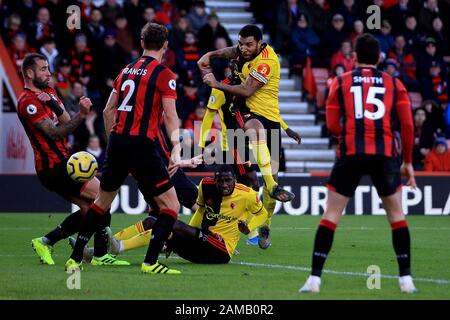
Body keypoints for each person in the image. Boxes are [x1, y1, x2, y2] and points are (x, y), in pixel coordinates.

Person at [299, 34, 418, 294]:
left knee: (331, 215)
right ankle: (406, 280)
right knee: (396, 216)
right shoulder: (394, 83)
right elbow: (408, 125)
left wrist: (345, 135)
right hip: (384, 154)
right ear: (379, 58)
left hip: (351, 152)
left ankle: (314, 280)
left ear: (354, 56)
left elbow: (331, 124)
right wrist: (407, 162)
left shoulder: (340, 82)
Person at [65, 23, 182, 275]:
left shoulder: (126, 70)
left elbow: (108, 110)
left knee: (102, 202)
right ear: (165, 45)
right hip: (142, 145)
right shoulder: (164, 75)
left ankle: (75, 258)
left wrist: (113, 142)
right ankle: (150, 263)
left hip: (118, 142)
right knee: (171, 206)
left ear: (141, 43)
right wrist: (177, 148)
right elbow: (170, 116)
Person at [17, 53, 122, 266]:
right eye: (44, 69)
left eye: (48, 68)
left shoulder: (49, 92)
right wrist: (82, 115)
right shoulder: (27, 102)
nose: (49, 72)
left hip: (62, 162)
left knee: (87, 210)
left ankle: (46, 241)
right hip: (53, 166)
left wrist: (68, 109)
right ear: (30, 73)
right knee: (104, 196)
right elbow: (55, 133)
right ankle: (101, 255)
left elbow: (65, 119)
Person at [198, 25, 296, 231]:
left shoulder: (267, 62)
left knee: (271, 185)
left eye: (248, 45)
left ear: (260, 43)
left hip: (271, 118)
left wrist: (216, 83)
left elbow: (246, 89)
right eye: (241, 44)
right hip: (247, 114)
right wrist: (210, 54)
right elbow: (231, 51)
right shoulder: (245, 50)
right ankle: (270, 186)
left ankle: (265, 221)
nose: (243, 49)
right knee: (254, 129)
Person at [81, 165, 268, 264]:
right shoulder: (206, 185)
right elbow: (201, 211)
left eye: (228, 181)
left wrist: (249, 227)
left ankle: (118, 247)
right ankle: (101, 251)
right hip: (200, 246)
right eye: (220, 180)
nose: (224, 185)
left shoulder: (247, 194)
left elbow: (262, 214)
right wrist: (187, 234)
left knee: (169, 222)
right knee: (153, 221)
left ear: (235, 180)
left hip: (221, 250)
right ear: (215, 179)